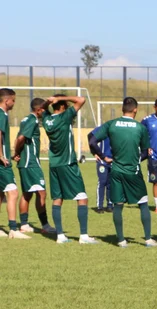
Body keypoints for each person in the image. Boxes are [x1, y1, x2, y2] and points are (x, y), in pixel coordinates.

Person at [88, 97, 157, 248]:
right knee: (143, 203)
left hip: (116, 170)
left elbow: (92, 141)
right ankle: (147, 240)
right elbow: (147, 152)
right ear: (135, 110)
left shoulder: (112, 124)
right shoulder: (140, 128)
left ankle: (121, 240)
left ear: (122, 109)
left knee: (118, 205)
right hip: (133, 171)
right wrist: (137, 160)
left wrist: (102, 156)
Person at [42, 94, 98, 244]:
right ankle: (84, 236)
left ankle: (60, 236)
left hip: (54, 164)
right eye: (66, 105)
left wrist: (49, 100)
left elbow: (42, 108)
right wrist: (62, 97)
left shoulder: (47, 119)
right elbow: (81, 99)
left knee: (57, 198)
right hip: (68, 163)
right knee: (82, 197)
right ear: (62, 107)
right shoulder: (64, 117)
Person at [11, 97, 55, 234]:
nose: (46, 113)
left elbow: (19, 138)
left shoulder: (25, 119)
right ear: (38, 110)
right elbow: (20, 138)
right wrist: (17, 151)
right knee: (41, 192)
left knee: (27, 193)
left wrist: (18, 153)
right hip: (31, 163)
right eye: (44, 110)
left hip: (26, 162)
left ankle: (24, 224)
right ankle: (45, 225)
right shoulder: (32, 120)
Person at [0, 88, 29, 239]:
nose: (14, 103)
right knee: (13, 192)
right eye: (13, 100)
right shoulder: (1, 114)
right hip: (1, 163)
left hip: (3, 158)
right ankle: (13, 229)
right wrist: (0, 155)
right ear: (6, 101)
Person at [92, 124, 113, 213]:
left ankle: (110, 205)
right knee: (102, 182)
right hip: (102, 161)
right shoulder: (100, 129)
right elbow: (90, 138)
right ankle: (100, 206)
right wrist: (94, 153)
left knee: (111, 183)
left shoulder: (118, 130)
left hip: (113, 161)